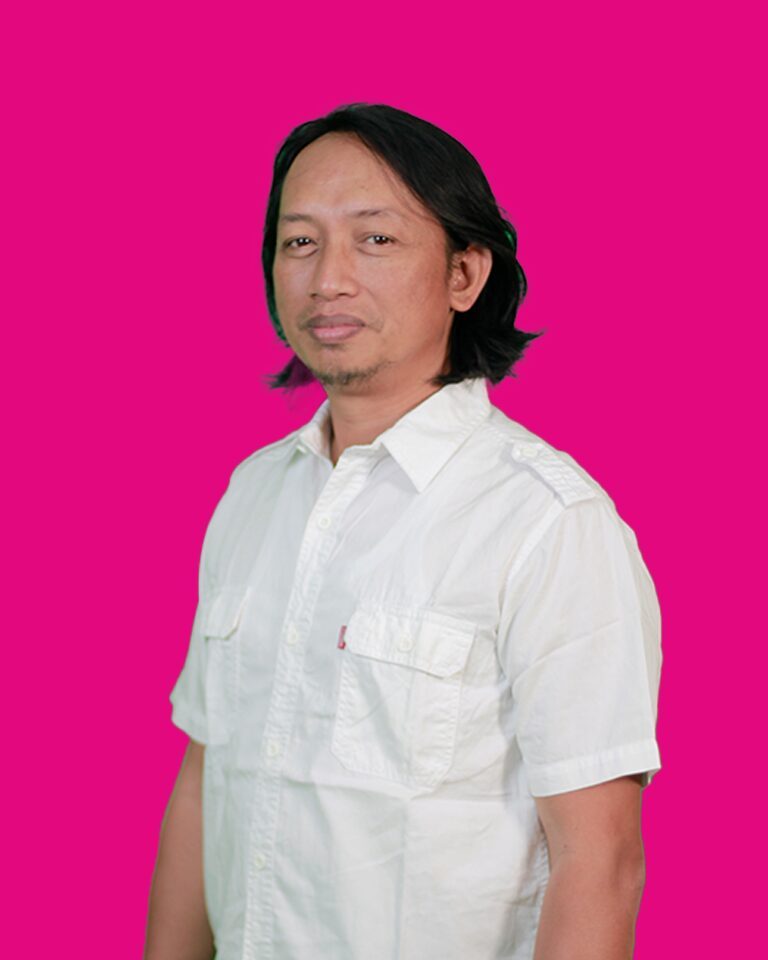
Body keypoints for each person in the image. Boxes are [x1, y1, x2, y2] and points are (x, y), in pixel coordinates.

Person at [143, 102, 663, 960]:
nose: (328, 278)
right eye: (299, 241)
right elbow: (206, 782)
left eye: (375, 239)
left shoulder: (548, 523)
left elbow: (600, 862)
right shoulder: (253, 495)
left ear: (465, 274)